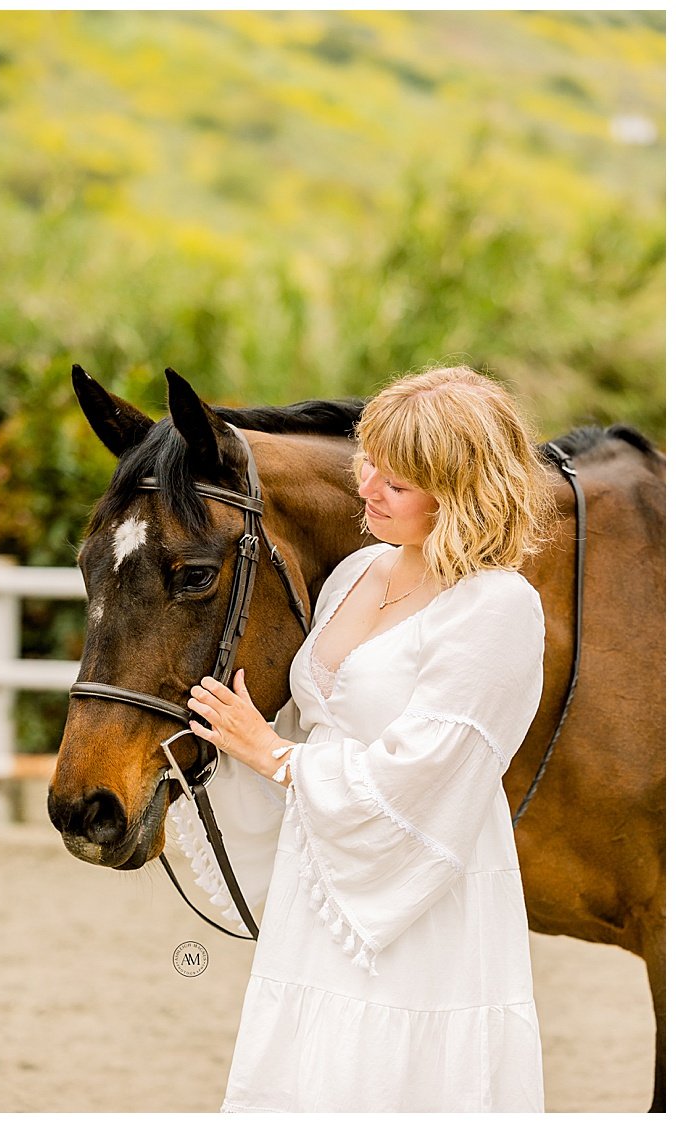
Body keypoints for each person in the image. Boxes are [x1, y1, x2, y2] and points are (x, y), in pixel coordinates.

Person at [169, 366, 554, 1112]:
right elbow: (317, 719)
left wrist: (271, 755)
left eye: (398, 482)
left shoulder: (498, 608)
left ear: (464, 493)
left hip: (421, 898)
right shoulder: (357, 571)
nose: (368, 487)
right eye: (369, 461)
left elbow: (426, 773)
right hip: (317, 879)